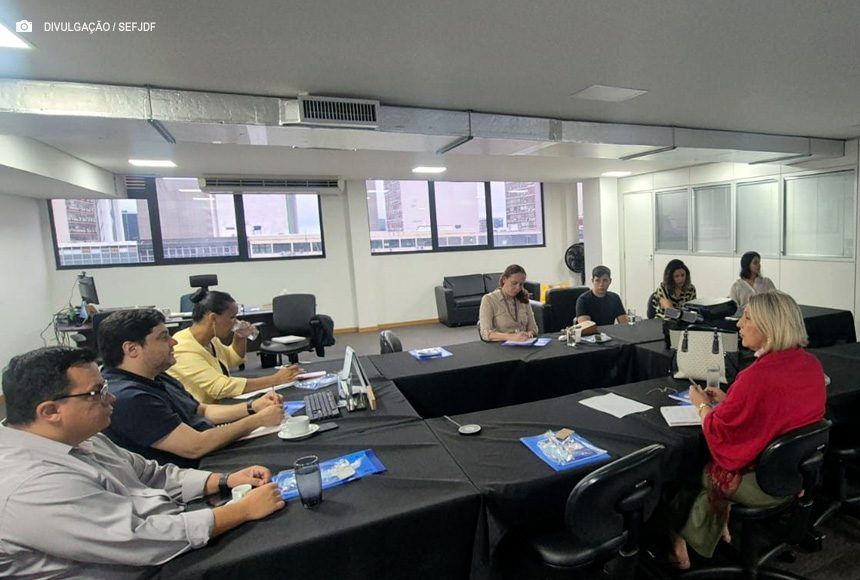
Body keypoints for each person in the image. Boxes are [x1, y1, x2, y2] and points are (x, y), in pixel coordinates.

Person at [0, 346, 285, 578]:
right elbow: (139, 540)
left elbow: (150, 474)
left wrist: (224, 480)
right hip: (150, 562)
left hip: (169, 536)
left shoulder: (79, 437)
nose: (111, 398)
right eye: (96, 393)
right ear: (50, 411)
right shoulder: (30, 485)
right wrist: (241, 510)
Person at [669, 291, 825, 569]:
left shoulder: (755, 377)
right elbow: (778, 412)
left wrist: (701, 404)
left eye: (747, 318)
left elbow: (719, 433)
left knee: (688, 467)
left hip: (761, 483)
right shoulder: (811, 365)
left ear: (769, 326)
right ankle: (708, 530)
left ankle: (680, 539)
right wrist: (731, 400)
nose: (739, 324)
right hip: (795, 475)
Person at [99, 309, 285, 468]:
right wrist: (258, 420)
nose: (173, 342)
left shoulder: (155, 375)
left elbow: (201, 410)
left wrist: (252, 406)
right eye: (163, 337)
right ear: (132, 349)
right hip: (194, 473)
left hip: (208, 453)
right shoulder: (129, 398)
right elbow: (195, 446)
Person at [168, 289, 301, 403]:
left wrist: (239, 337)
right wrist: (275, 379)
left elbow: (233, 359)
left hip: (219, 404)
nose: (235, 322)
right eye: (232, 317)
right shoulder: (182, 348)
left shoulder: (211, 340)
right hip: (202, 415)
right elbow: (221, 388)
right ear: (213, 318)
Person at [478, 264, 539, 342]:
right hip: (500, 345)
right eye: (514, 283)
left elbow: (533, 329)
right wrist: (511, 337)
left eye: (521, 284)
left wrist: (529, 334)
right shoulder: (489, 299)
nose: (518, 288)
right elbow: (486, 333)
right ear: (504, 279)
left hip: (524, 343)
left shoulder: (523, 299)